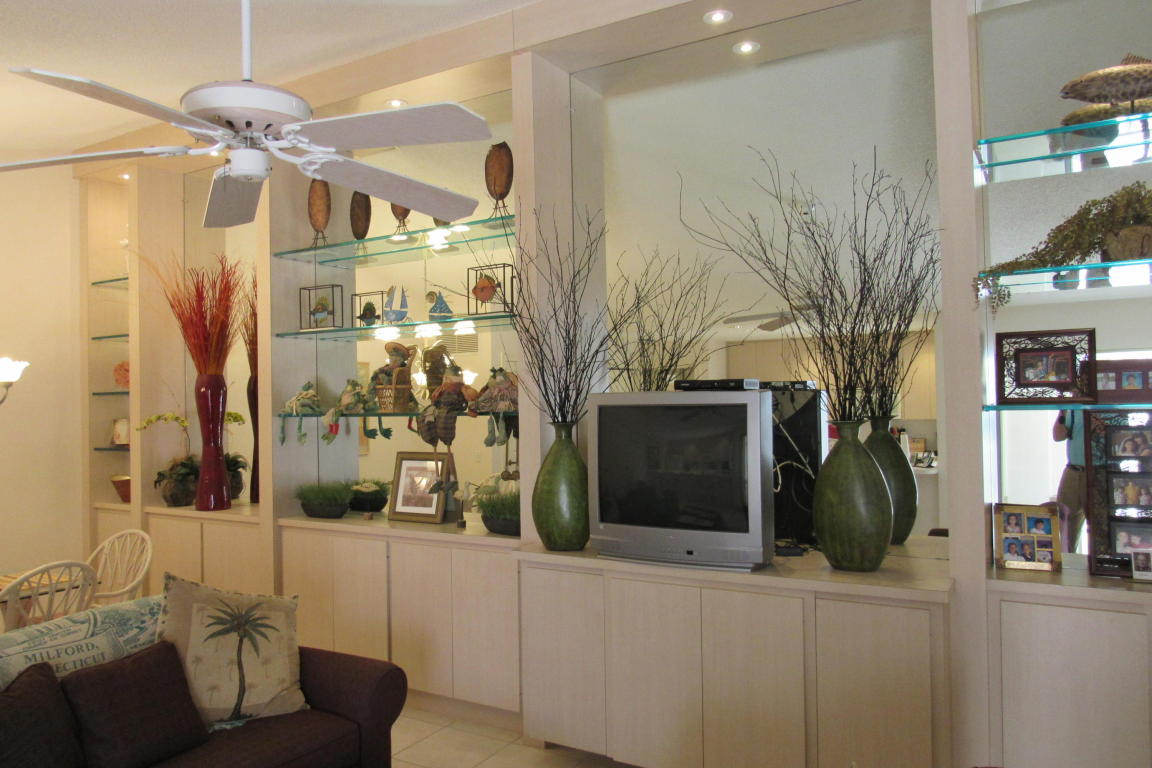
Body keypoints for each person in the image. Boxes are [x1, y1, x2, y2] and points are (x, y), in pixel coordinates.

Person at [1053, 410, 1086, 553]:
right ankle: (1067, 559)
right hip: (1073, 469)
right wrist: (1062, 411)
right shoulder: (1071, 409)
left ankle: (1100, 561)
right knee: (1065, 520)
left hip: (1098, 471)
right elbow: (1057, 436)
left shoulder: (1106, 405)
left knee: (1100, 523)